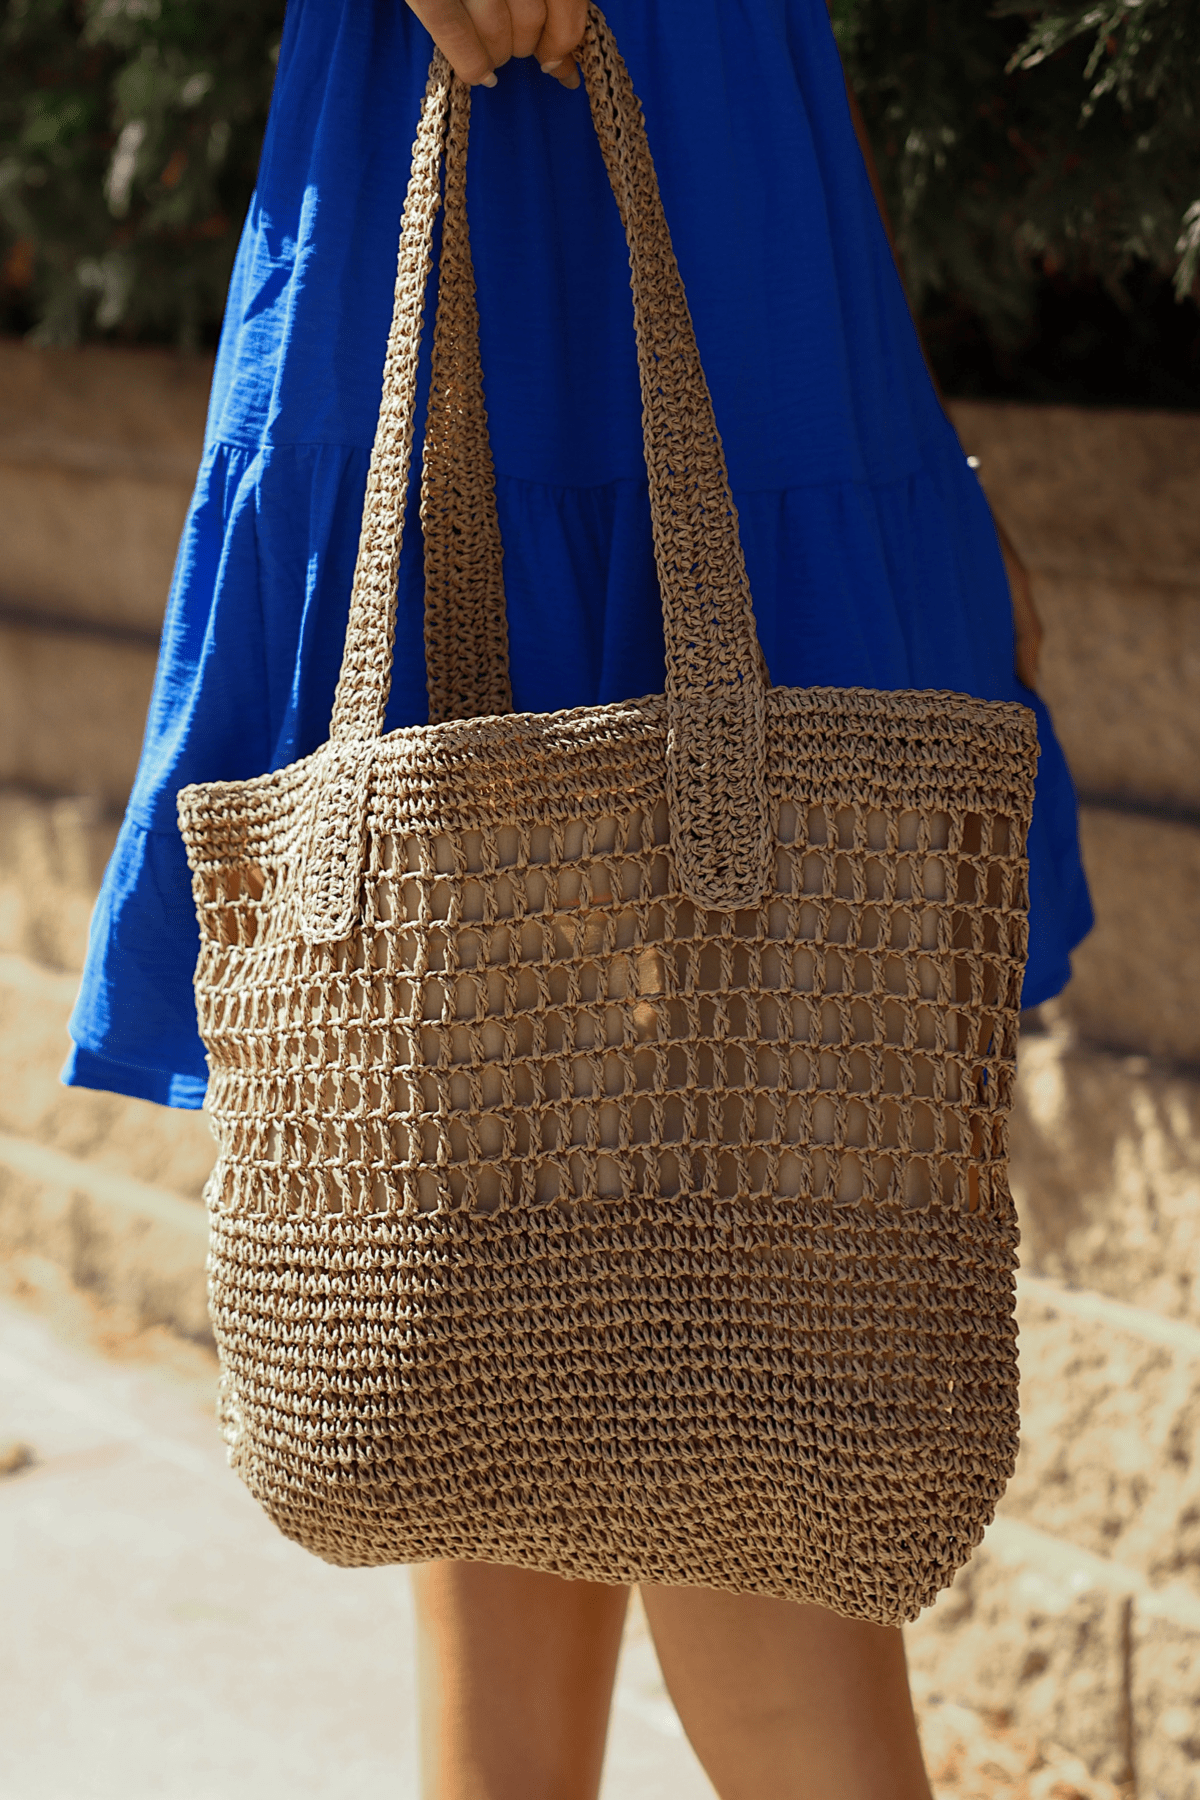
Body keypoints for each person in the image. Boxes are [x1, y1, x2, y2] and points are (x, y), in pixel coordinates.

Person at [64, 0, 1093, 1793]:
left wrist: (895, 389)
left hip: (739, 206)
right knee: (523, 1241)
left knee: (580, 1240)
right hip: (573, 175)